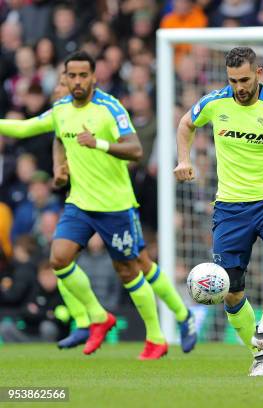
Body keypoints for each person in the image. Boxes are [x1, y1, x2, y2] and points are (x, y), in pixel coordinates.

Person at [0, 71, 198, 354]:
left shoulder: (108, 108)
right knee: (59, 259)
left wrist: (99, 144)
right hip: (80, 202)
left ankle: (177, 319)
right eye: (63, 81)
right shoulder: (61, 112)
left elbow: (134, 149)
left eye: (70, 80)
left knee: (137, 266)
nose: (61, 88)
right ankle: (91, 318)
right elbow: (53, 138)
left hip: (115, 204)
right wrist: (59, 168)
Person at [175, 46, 263, 376]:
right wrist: (183, 159)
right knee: (231, 292)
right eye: (233, 80)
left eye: (244, 79)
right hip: (229, 209)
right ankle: (259, 355)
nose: (239, 87)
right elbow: (185, 123)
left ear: (259, 74)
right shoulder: (214, 102)